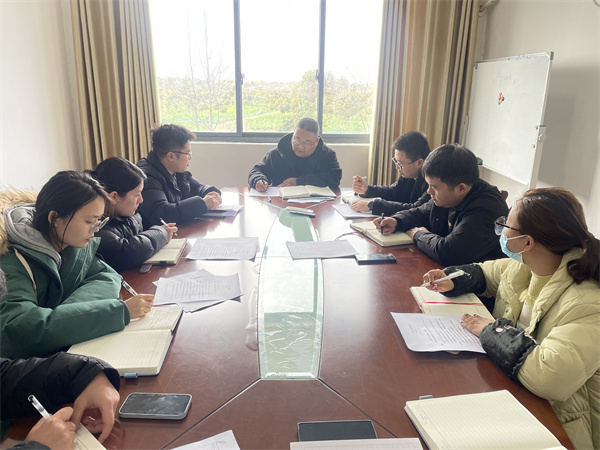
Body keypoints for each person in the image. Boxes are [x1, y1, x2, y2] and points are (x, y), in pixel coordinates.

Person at [422, 187, 600, 449]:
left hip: (561, 426)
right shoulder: (528, 265)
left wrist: (492, 331)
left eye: (506, 225)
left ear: (527, 242)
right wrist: (452, 279)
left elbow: (549, 376)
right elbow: (487, 273)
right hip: (516, 395)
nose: (502, 231)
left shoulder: (588, 302)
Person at [0, 171, 154, 359]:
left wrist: (67, 317)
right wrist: (117, 312)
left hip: (61, 351)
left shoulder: (69, 241)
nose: (96, 229)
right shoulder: (11, 262)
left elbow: (107, 276)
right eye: (89, 221)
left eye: (99, 220)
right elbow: (23, 329)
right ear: (55, 218)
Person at [375, 144, 508, 266]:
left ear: (461, 188)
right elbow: (421, 212)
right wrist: (397, 221)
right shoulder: (448, 194)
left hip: (476, 280)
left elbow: (449, 252)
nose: (429, 192)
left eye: (434, 187)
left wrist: (418, 234)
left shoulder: (486, 208)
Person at [91, 157, 178, 272]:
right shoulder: (95, 225)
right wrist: (161, 232)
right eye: (137, 195)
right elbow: (128, 252)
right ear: (114, 197)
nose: (141, 200)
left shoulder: (128, 213)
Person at [137, 124, 222, 228]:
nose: (190, 157)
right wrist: (203, 204)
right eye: (187, 153)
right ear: (171, 156)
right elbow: (162, 214)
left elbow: (197, 187)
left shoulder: (173, 168)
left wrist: (211, 193)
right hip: (157, 235)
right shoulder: (147, 176)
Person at [248, 117, 342, 191]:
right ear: (293, 135)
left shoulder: (327, 155)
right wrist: (258, 180)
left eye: (307, 142)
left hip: (317, 205)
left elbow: (335, 178)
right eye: (297, 139)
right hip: (281, 203)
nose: (300, 146)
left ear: (316, 141)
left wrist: (299, 181)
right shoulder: (276, 154)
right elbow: (257, 171)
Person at [351, 131, 431, 215]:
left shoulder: (432, 179)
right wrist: (367, 189)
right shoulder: (409, 172)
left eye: (400, 164)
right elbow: (393, 192)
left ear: (419, 163)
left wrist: (372, 205)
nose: (397, 167)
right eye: (396, 162)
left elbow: (416, 209)